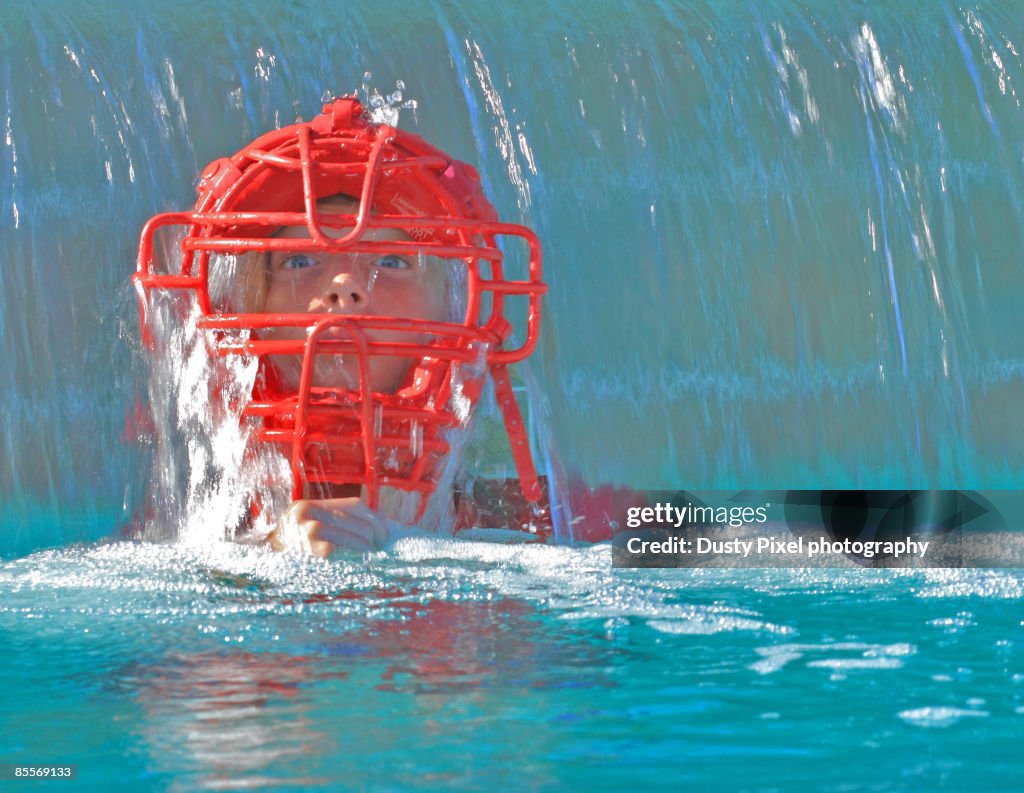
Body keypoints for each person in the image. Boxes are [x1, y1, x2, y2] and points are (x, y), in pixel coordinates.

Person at [134, 95, 553, 555]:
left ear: (445, 314)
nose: (344, 286)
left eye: (391, 260)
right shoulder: (195, 532)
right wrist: (271, 558)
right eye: (300, 260)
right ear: (252, 308)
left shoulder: (546, 519)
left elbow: (645, 541)